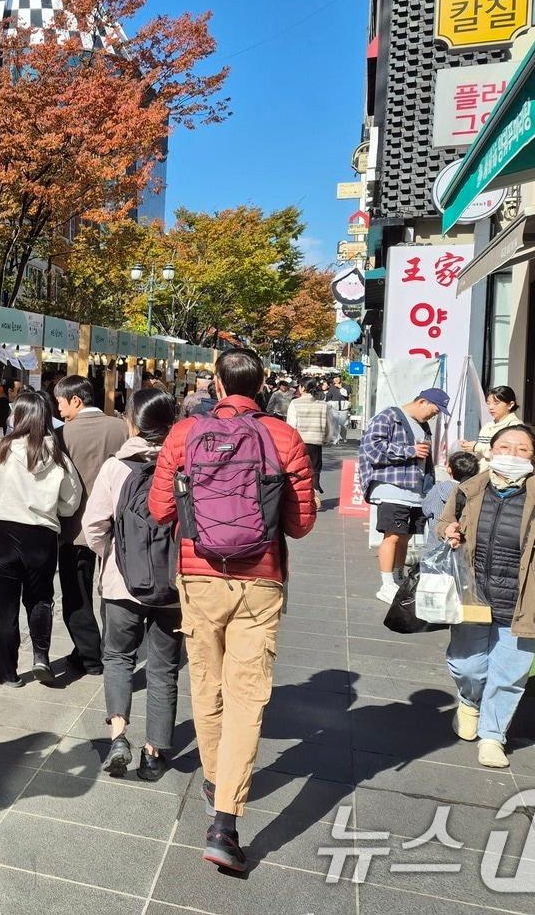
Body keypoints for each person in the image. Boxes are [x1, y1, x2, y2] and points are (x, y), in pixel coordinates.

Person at [149, 348, 316, 873]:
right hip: (260, 579)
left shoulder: (183, 434)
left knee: (207, 686)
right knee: (248, 697)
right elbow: (300, 524)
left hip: (199, 575)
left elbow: (159, 510)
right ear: (261, 385)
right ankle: (224, 822)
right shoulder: (282, 435)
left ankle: (217, 777)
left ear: (217, 386)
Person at [438, 425, 535, 768]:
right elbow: (445, 521)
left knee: (509, 674)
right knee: (467, 666)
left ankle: (493, 736)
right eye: (505, 446)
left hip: (525, 602)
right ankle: (470, 702)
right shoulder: (468, 490)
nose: (512, 454)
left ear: (533, 458)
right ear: (491, 451)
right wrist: (448, 530)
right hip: (474, 596)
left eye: (522, 449)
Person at [82, 389, 182, 782]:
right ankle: (155, 751)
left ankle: (119, 736)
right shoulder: (185, 463)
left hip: (122, 584)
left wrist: (114, 556)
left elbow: (93, 527)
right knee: (163, 668)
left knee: (119, 658)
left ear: (133, 423)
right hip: (174, 586)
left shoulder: (116, 467)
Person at [0, 391, 80, 688]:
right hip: (41, 537)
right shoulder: (57, 455)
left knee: (3, 607)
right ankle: (41, 656)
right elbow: (71, 501)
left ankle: (7, 672)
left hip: (2, 534)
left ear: (15, 416)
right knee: (41, 598)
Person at [53, 374, 130, 677]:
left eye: (60, 403)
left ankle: (89, 655)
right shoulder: (122, 427)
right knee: (114, 588)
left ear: (76, 399)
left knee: (77, 592)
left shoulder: (62, 435)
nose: (59, 410)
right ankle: (112, 647)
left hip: (75, 528)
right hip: (118, 523)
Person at [359, 389, 450, 603]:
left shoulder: (424, 426)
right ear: (421, 401)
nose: (433, 416)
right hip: (392, 488)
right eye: (434, 410)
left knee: (405, 537)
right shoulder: (389, 416)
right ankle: (386, 584)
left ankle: (398, 579)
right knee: (392, 535)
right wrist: (409, 451)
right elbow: (370, 448)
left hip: (415, 490)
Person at [422, 451, 480, 556]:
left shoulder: (438, 489)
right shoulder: (477, 492)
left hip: (436, 545)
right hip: (464, 548)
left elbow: (426, 510)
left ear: (449, 470)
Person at [285, 382, 331, 496]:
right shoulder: (323, 405)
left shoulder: (295, 403)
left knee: (299, 469)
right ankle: (315, 494)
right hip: (316, 441)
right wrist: (326, 439)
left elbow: (291, 425)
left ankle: (301, 495)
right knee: (315, 469)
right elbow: (329, 425)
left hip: (299, 441)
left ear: (303, 388)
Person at [460, 385, 524, 462]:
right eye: (488, 403)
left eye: (496, 403)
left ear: (510, 405)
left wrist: (477, 447)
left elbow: (506, 454)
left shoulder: (515, 427)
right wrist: (469, 447)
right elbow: (481, 454)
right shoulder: (487, 426)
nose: (491, 407)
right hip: (481, 472)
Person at [326, 375, 350, 444]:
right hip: (334, 408)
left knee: (343, 424)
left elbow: (347, 394)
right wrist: (331, 404)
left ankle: (343, 437)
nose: (336, 379)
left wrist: (341, 388)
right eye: (334, 378)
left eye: (337, 378)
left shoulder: (346, 386)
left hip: (344, 408)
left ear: (340, 379)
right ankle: (335, 438)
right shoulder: (332, 388)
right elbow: (328, 397)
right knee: (334, 424)